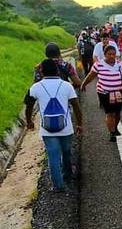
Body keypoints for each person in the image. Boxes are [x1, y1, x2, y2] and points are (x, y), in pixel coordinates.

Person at [25, 59, 84, 192]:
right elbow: (76, 106)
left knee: (53, 155)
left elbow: (28, 107)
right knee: (66, 152)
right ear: (57, 71)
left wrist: (29, 122)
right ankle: (67, 175)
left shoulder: (35, 87)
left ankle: (58, 185)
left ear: (41, 72)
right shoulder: (67, 86)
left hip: (47, 129)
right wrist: (79, 124)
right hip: (66, 128)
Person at [80, 45, 122, 142]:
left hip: (119, 92)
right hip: (104, 92)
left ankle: (115, 127)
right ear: (104, 55)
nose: (112, 56)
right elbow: (91, 75)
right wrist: (84, 84)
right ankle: (112, 132)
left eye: (113, 54)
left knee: (117, 113)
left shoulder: (121, 64)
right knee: (110, 113)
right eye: (109, 54)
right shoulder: (98, 65)